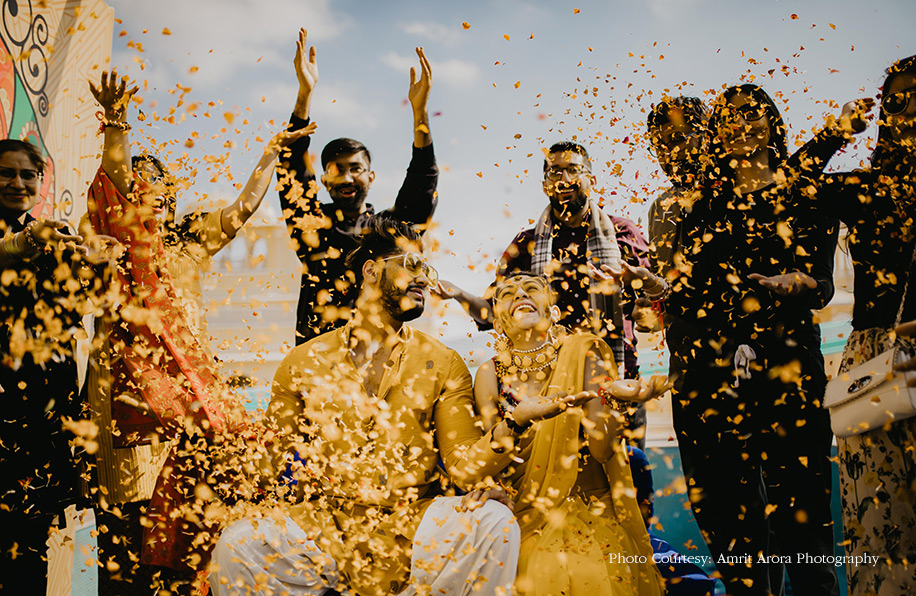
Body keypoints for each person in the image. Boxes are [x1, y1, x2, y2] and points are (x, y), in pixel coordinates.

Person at [210, 217, 589, 596]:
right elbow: (269, 463)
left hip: (411, 523)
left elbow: (462, 465)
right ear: (371, 271)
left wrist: (515, 423)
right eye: (411, 266)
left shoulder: (443, 361)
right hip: (327, 524)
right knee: (237, 544)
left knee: (494, 523)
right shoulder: (302, 361)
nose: (424, 278)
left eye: (427, 269)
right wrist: (223, 441)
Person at [86, 70, 313, 594]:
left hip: (194, 410)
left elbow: (243, 209)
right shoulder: (112, 247)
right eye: (141, 189)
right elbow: (115, 181)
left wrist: (271, 153)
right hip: (132, 410)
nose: (153, 197)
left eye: (161, 189)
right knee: (126, 542)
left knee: (190, 538)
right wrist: (117, 127)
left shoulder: (188, 248)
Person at [665, 83, 847, 596]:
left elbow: (824, 285)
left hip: (789, 363)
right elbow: (690, 292)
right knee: (736, 529)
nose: (739, 124)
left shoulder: (809, 192)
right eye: (726, 118)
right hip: (716, 374)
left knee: (803, 521)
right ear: (715, 133)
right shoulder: (703, 205)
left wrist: (799, 283)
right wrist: (665, 292)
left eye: (750, 113)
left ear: (771, 121)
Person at [437, 141, 668, 447]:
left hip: (616, 384)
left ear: (591, 178)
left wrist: (644, 299)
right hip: (550, 389)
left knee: (624, 479)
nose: (563, 179)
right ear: (544, 183)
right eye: (554, 172)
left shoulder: (623, 233)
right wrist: (457, 293)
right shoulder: (526, 244)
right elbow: (496, 313)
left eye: (573, 169)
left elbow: (656, 303)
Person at [472, 271, 666, 595]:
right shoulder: (488, 374)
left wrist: (614, 400)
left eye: (532, 288)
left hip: (589, 506)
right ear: (497, 323)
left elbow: (603, 450)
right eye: (507, 294)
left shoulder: (585, 351)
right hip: (524, 511)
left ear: (554, 311)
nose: (520, 294)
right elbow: (495, 457)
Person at [802, 55, 916, 596]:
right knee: (882, 528)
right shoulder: (870, 187)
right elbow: (791, 186)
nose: (908, 108)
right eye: (895, 101)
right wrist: (835, 133)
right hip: (879, 361)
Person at [0, 139, 116, 593]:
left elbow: (86, 307)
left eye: (27, 175)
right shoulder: (34, 236)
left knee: (47, 532)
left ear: (40, 181)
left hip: (51, 412)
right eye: (6, 173)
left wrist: (98, 263)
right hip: (4, 409)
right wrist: (26, 242)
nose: (17, 183)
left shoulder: (56, 235)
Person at [277, 28, 438, 345]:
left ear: (371, 176)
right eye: (337, 170)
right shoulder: (310, 224)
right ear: (324, 179)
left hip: (381, 357)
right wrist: (304, 95)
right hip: (318, 363)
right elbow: (292, 167)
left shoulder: (386, 232)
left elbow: (421, 184)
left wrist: (420, 114)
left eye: (356, 169)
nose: (348, 178)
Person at [645, 96, 708, 280]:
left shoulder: (735, 193)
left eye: (677, 140)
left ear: (704, 136)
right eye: (658, 146)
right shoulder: (660, 209)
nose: (668, 154)